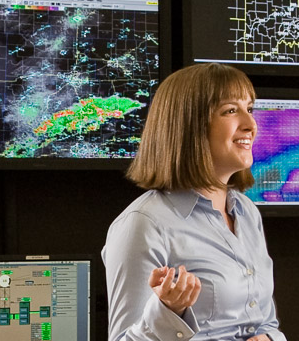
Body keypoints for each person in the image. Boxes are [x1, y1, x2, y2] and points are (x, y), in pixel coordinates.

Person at [102, 63, 285, 341]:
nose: (251, 125)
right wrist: (167, 310)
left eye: (250, 109)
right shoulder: (143, 224)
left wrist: (270, 338)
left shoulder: (246, 212)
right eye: (231, 111)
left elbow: (264, 321)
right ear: (188, 126)